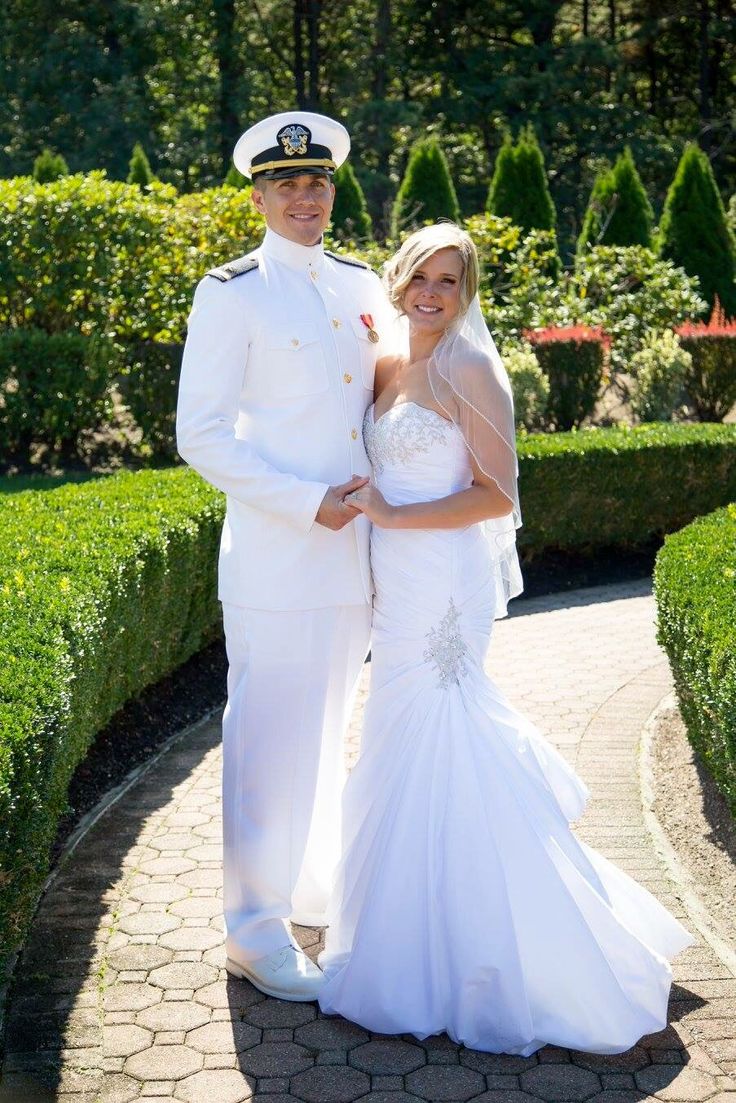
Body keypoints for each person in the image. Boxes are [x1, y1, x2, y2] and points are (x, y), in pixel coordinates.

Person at [317, 222, 693, 1054]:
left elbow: (497, 495)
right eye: (421, 274)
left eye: (449, 281)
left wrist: (395, 512)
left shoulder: (469, 367)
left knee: (444, 736)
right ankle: (404, 942)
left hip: (441, 580)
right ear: (399, 274)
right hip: (394, 583)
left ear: (465, 292)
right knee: (394, 740)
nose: (431, 291)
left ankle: (505, 954)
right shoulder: (386, 365)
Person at [176, 111, 389, 1001]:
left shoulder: (362, 283)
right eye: (288, 184)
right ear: (258, 195)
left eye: (319, 182)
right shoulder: (231, 292)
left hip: (357, 562)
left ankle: (304, 890)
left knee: (326, 730)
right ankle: (253, 931)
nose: (306, 198)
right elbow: (201, 434)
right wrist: (307, 505)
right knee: (265, 743)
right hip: (277, 559)